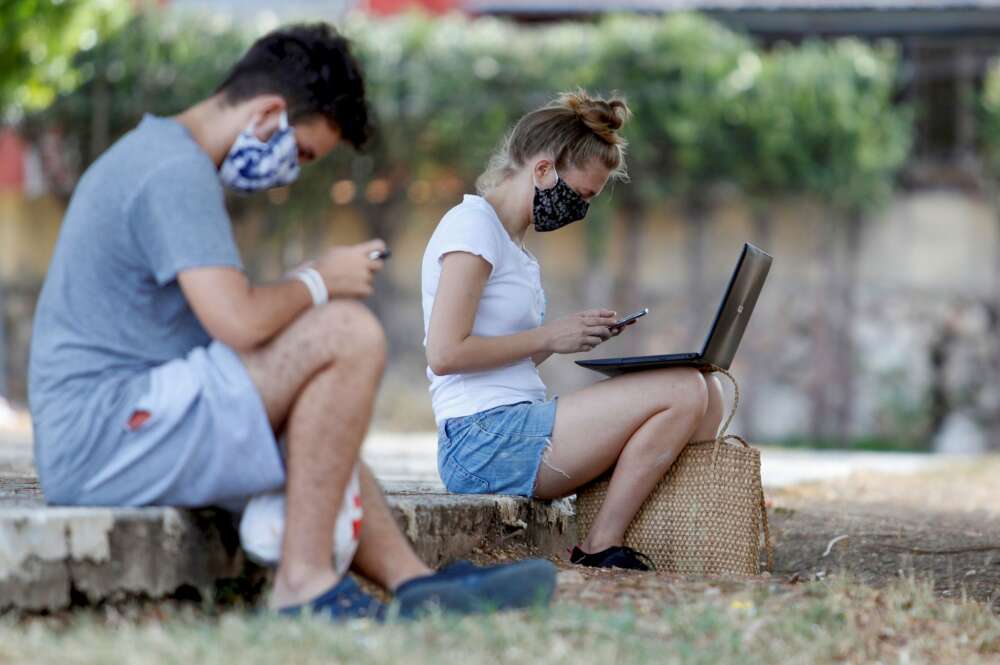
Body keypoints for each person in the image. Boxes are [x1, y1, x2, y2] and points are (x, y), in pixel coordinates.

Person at [28, 23, 554, 620]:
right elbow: (240, 322)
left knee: (316, 412)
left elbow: (234, 324)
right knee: (347, 332)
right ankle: (303, 586)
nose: (293, 172)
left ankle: (415, 585)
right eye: (302, 152)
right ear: (268, 113)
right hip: (102, 435)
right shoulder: (171, 173)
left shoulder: (164, 159)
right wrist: (317, 281)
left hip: (127, 419)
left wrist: (305, 295)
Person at [421, 90, 725, 571]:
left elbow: (504, 355)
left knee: (708, 396)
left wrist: (574, 338)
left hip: (513, 424)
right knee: (685, 389)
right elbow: (445, 353)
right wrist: (550, 336)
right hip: (480, 440)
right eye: (582, 194)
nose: (581, 209)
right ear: (543, 170)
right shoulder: (471, 227)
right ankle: (600, 545)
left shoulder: (515, 247)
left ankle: (662, 536)